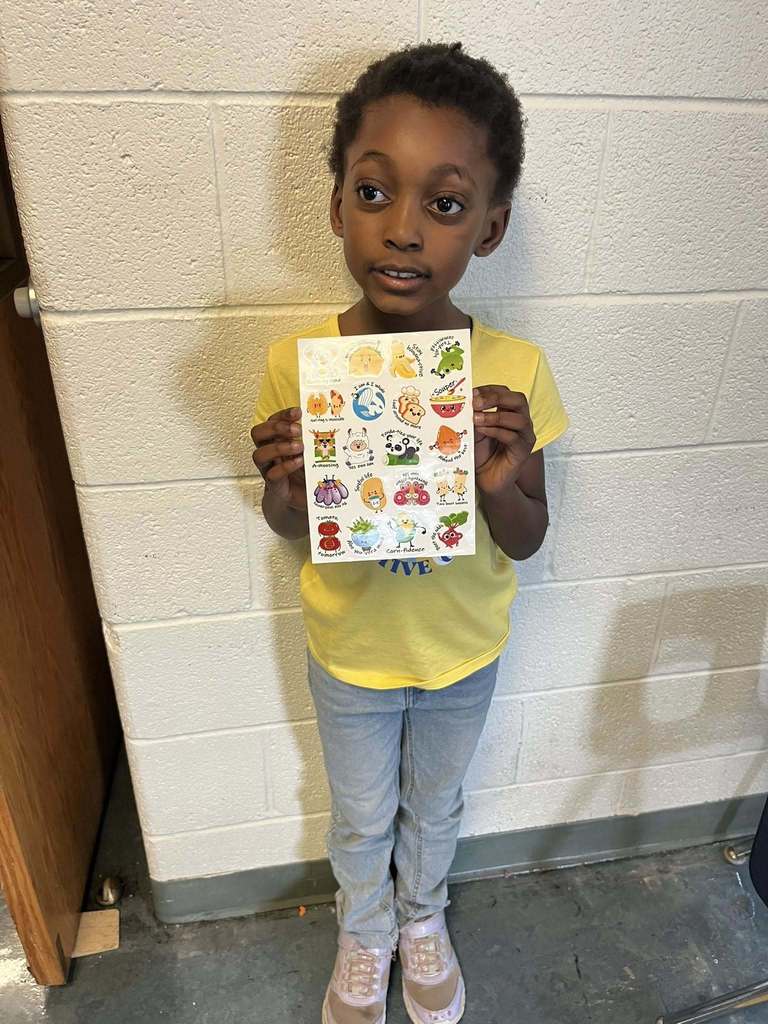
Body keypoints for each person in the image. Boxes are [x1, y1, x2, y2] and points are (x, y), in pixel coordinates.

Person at [251, 41, 569, 1024]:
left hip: (462, 650)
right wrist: (287, 483)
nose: (401, 229)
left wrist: (502, 483)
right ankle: (366, 929)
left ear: (490, 226)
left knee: (435, 806)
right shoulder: (300, 363)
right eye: (374, 192)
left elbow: (529, 537)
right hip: (350, 650)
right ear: (336, 206)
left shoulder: (512, 372)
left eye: (445, 202)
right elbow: (292, 527)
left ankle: (422, 915)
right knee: (358, 815)